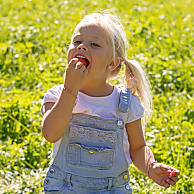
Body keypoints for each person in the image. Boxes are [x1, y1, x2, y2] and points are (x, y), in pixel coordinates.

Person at [40, 11, 180, 193]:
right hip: (65, 188)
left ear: (112, 63)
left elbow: (138, 148)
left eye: (94, 44)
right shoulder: (58, 95)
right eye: (77, 41)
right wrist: (70, 89)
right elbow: (50, 133)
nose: (82, 47)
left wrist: (150, 166)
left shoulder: (124, 103)